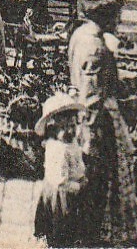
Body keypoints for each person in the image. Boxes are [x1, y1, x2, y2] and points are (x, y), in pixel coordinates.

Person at [68, 0, 137, 246]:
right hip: (99, 121)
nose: (119, 21)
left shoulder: (80, 34)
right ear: (106, 17)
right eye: (117, 16)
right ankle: (103, 236)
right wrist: (93, 135)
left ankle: (122, 232)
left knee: (111, 179)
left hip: (85, 113)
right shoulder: (96, 49)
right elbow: (93, 96)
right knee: (107, 180)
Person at [35, 94, 89, 248]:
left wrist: (82, 175)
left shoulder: (71, 143)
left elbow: (77, 162)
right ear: (54, 127)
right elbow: (59, 180)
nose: (70, 130)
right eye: (65, 127)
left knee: (74, 226)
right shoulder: (58, 149)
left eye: (73, 126)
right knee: (61, 226)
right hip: (61, 193)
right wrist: (78, 185)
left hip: (72, 189)